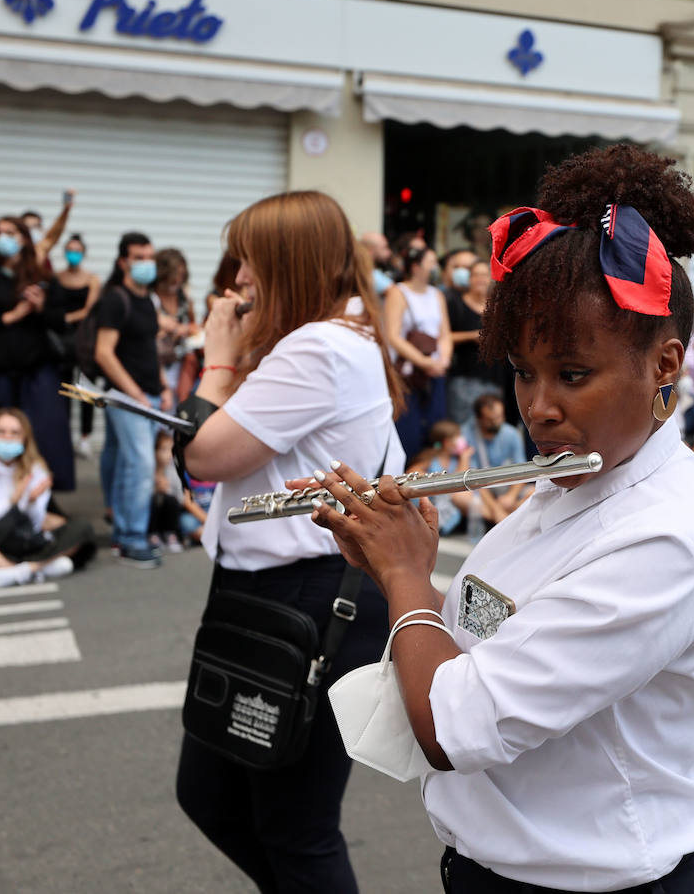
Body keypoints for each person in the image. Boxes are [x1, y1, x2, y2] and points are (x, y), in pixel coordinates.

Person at [309, 144, 694, 893]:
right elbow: (495, 640)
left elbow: (455, 727)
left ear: (665, 364)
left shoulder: (664, 534)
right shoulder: (577, 477)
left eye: (573, 374)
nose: (538, 407)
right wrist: (389, 559)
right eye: (522, 370)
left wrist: (406, 574)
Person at [175, 190, 406, 894]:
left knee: (294, 826)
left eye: (249, 264)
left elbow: (204, 454)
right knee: (214, 793)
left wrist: (216, 358)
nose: (236, 281)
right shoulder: (324, 337)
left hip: (306, 596)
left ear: (289, 265)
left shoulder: (321, 347)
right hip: (271, 592)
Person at [0, 215, 75, 491]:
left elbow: (61, 321)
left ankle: (45, 492)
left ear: (24, 237)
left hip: (38, 371)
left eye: (11, 232)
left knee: (45, 433)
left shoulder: (43, 277)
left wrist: (41, 308)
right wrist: (9, 317)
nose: (5, 238)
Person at [0, 408, 96, 588]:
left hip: (23, 539)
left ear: (25, 438)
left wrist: (32, 502)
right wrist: (13, 501)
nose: (7, 438)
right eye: (1, 432)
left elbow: (35, 524)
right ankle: (34, 569)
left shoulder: (35, 467)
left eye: (14, 433)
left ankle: (15, 571)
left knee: (80, 527)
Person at [95, 232, 173, 568]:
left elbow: (147, 348)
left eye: (150, 257)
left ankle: (123, 530)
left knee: (124, 462)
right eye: (138, 257)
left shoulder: (148, 300)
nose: (146, 264)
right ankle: (131, 539)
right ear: (123, 262)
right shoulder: (116, 299)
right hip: (126, 397)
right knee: (140, 465)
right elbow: (104, 353)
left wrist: (161, 385)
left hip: (146, 393)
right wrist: (137, 394)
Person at [387, 243, 453, 455]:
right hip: (409, 372)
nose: (434, 267)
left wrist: (443, 360)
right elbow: (393, 335)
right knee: (409, 427)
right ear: (415, 267)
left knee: (436, 427)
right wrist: (424, 362)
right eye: (430, 263)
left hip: (435, 371)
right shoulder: (398, 292)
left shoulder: (437, 294)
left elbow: (444, 333)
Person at [412, 420, 510, 535]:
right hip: (441, 502)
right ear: (447, 442)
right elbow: (458, 482)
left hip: (461, 504)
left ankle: (499, 516)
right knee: (462, 494)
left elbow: (471, 483)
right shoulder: (431, 458)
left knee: (478, 489)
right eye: (458, 436)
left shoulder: (456, 459)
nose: (462, 439)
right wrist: (464, 458)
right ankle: (499, 518)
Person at [56, 233, 101, 458]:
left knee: (85, 389)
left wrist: (67, 318)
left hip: (84, 340)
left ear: (83, 253)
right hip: (61, 341)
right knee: (63, 389)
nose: (73, 253)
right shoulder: (57, 277)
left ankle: (85, 437)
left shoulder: (92, 279)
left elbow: (90, 309)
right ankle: (63, 436)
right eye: (69, 249)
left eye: (77, 249)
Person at [446, 258, 502, 424]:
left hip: (494, 379)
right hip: (463, 379)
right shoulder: (455, 304)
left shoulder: (497, 307)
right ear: (469, 279)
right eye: (476, 275)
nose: (480, 279)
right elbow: (444, 336)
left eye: (484, 275)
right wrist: (472, 336)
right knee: (464, 428)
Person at [462, 393, 532, 515]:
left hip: (506, 488)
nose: (497, 422)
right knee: (462, 498)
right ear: (479, 419)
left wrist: (511, 496)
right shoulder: (467, 434)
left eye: (499, 417)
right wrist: (495, 508)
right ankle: (502, 517)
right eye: (490, 420)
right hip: (481, 491)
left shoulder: (511, 434)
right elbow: (471, 478)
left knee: (534, 492)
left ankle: (504, 516)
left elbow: (522, 471)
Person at [153, 248, 196, 403]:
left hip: (180, 362)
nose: (177, 280)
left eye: (181, 275)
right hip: (159, 364)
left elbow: (191, 323)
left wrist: (189, 330)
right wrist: (176, 329)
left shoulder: (183, 296)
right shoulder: (151, 297)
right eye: (173, 275)